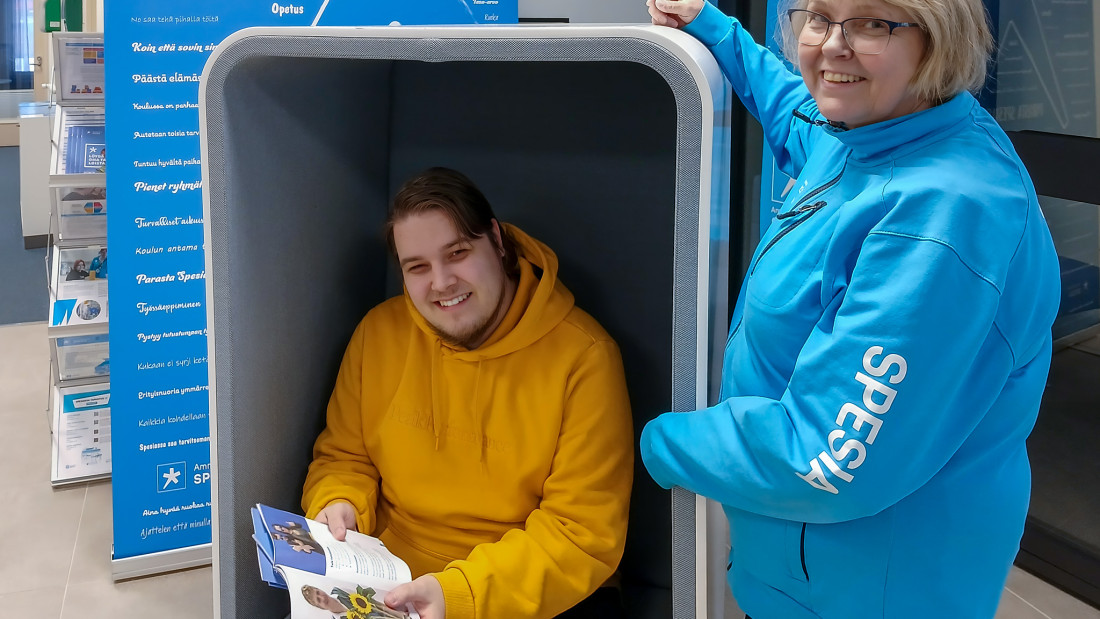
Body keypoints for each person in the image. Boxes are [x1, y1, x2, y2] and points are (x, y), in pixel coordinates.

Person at [640, 0, 1061, 618]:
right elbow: (793, 110)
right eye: (818, 17)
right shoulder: (869, 131)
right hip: (801, 570)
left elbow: (825, 457)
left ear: (937, 43)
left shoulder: (938, 218)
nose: (833, 45)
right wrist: (711, 25)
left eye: (872, 23)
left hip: (868, 592)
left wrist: (652, 440)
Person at [302, 167, 634, 619]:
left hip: (529, 595)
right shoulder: (379, 332)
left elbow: (580, 536)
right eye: (417, 267)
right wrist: (337, 501)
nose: (441, 283)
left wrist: (459, 595)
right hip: (390, 581)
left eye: (457, 253)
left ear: (496, 240)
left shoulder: (586, 357)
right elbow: (344, 457)